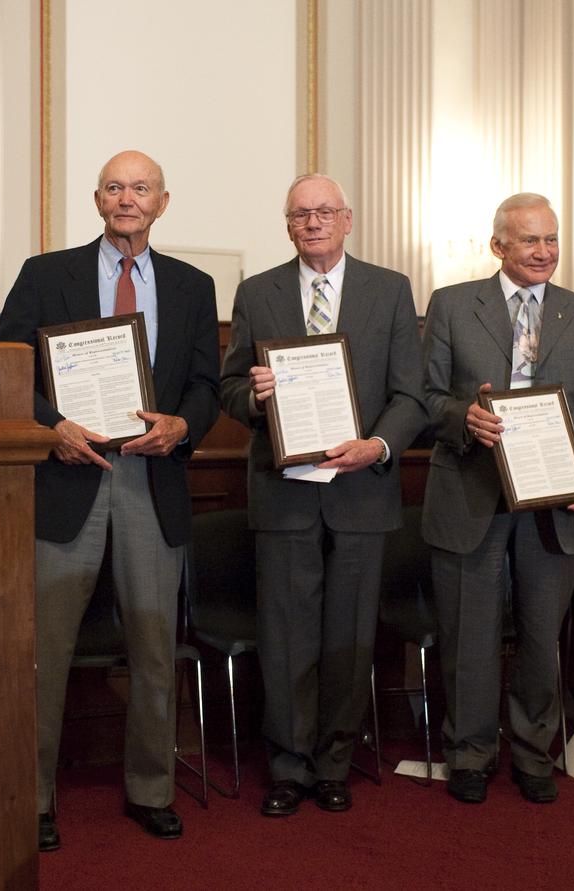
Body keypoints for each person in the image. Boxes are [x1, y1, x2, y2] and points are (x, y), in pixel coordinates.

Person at [0, 150, 219, 851]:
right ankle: (31, 798)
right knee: (44, 650)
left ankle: (151, 788)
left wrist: (183, 426)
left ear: (163, 201)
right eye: (116, 188)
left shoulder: (192, 284)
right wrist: (47, 425)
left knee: (154, 647)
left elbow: (207, 386)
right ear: (97, 200)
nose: (128, 199)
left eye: (141, 188)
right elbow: (5, 365)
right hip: (70, 476)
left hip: (153, 481)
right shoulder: (46, 273)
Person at [220, 174, 427, 817]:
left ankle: (334, 760)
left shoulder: (389, 290)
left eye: (325, 212)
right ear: (287, 225)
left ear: (348, 219)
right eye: (301, 213)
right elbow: (228, 390)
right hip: (284, 494)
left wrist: (377, 445)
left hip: (360, 489)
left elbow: (412, 396)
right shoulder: (258, 292)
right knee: (286, 639)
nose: (313, 222)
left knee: (348, 636)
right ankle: (287, 765)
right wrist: (254, 397)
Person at [421, 192, 574, 804]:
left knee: (539, 635)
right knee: (469, 635)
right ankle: (470, 753)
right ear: (499, 245)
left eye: (552, 239)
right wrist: (464, 419)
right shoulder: (452, 306)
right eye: (530, 240)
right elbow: (424, 399)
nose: (544, 251)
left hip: (556, 502)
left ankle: (534, 751)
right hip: (471, 494)